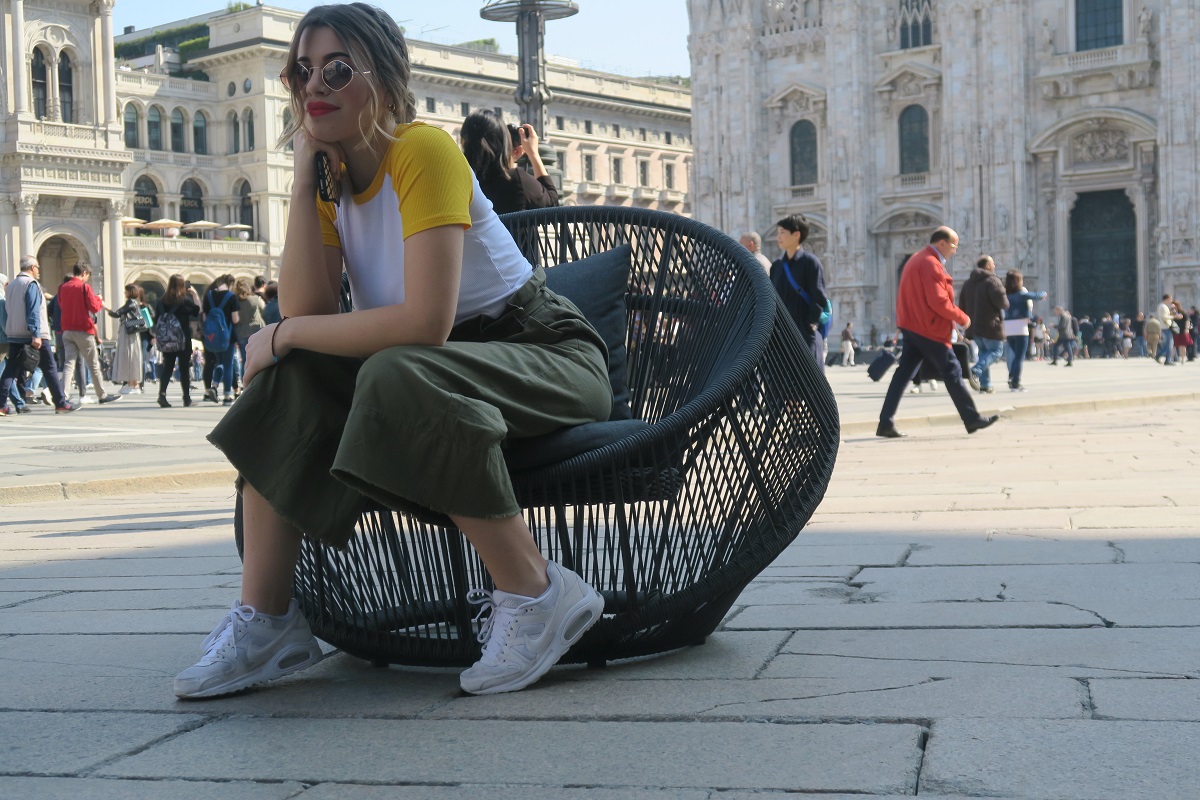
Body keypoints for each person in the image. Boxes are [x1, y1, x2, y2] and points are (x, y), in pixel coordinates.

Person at [173, 3, 609, 700]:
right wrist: (304, 179)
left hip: (541, 352)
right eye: (302, 70)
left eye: (337, 69)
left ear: (385, 77)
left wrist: (279, 334)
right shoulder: (332, 176)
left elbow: (424, 324)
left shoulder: (423, 151)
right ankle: (269, 621)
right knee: (293, 379)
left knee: (392, 368)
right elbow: (311, 314)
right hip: (442, 369)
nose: (314, 84)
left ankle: (537, 592)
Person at [876, 227, 998, 438]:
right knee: (952, 370)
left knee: (903, 374)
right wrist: (962, 318)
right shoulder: (930, 263)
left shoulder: (916, 259)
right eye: (953, 245)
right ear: (942, 243)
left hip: (913, 325)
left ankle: (885, 422)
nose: (955, 250)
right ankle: (971, 418)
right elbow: (938, 301)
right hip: (928, 328)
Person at [0, 256, 76, 415]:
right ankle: (61, 403)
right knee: (50, 368)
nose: (39, 271)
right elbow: (33, 311)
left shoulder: (11, 284)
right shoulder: (31, 284)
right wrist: (36, 334)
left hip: (14, 333)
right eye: (38, 267)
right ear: (32, 267)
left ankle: (1, 404)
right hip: (33, 333)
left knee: (11, 369)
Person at [460, 109, 558, 214]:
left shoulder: (460, 182)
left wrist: (509, 158)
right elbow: (552, 202)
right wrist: (533, 153)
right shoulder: (516, 179)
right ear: (502, 142)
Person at [769, 213, 829, 372]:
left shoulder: (810, 262)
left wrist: (811, 323)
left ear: (796, 235)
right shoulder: (777, 266)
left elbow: (819, 295)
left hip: (803, 330)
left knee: (806, 381)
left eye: (782, 232)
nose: (778, 237)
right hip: (781, 333)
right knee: (781, 384)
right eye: (778, 232)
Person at [58, 264, 120, 406]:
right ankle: (102, 395)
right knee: (93, 364)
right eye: (88, 276)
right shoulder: (84, 287)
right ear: (84, 273)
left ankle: (63, 395)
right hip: (83, 330)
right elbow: (95, 307)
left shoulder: (62, 287)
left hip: (67, 330)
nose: (87, 279)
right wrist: (98, 298)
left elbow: (62, 305)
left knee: (69, 364)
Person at [957, 254, 1008, 393]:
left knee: (984, 353)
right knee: (996, 351)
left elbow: (961, 304)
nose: (995, 266)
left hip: (974, 327)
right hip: (990, 325)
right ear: (987, 266)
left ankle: (985, 385)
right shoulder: (992, 280)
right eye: (993, 263)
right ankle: (976, 370)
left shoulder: (968, 283)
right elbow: (1003, 303)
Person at [154, 275, 201, 408]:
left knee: (167, 367)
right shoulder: (184, 300)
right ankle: (186, 398)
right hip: (183, 339)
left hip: (167, 340)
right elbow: (197, 311)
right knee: (184, 368)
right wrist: (195, 296)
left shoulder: (160, 301)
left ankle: (162, 395)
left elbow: (157, 319)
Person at [1002, 269, 1045, 392]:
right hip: (1020, 327)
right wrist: (1044, 294)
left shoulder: (1006, 294)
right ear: (1018, 281)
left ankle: (1012, 377)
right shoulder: (1021, 294)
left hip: (1008, 327)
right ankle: (1015, 383)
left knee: (1015, 356)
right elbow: (1037, 296)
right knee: (1019, 357)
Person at [201, 274, 240, 404]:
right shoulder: (231, 297)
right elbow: (235, 319)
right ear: (230, 285)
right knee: (228, 365)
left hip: (213, 336)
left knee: (220, 363)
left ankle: (214, 385)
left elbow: (205, 319)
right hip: (228, 336)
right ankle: (227, 396)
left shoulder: (209, 296)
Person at [105, 284, 146, 394]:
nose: (124, 293)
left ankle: (132, 384)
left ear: (130, 292)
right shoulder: (135, 303)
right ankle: (132, 384)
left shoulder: (131, 302)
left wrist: (104, 306)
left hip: (128, 333)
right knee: (132, 356)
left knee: (129, 356)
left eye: (126, 291)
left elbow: (116, 313)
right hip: (132, 333)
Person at [233, 277, 267, 393]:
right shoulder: (255, 299)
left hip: (241, 333)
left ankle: (245, 385)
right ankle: (257, 384)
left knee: (245, 360)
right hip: (256, 331)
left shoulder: (235, 301)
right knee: (258, 359)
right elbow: (264, 310)